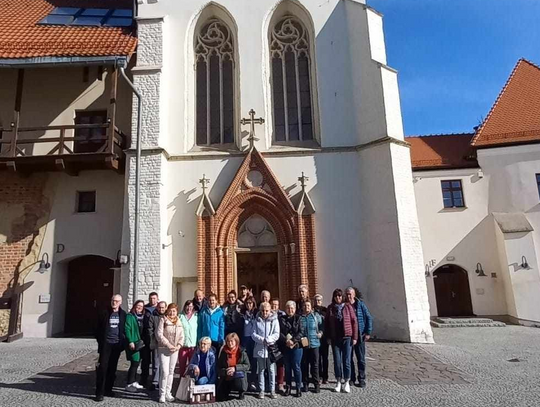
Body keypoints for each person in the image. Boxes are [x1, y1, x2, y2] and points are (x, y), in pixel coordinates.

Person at [95, 294, 126, 402]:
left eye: (117, 301)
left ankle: (109, 389)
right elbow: (97, 329)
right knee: (102, 368)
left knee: (112, 369)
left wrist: (122, 342)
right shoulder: (104, 313)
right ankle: (99, 393)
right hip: (106, 345)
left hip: (116, 345)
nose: (114, 302)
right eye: (113, 300)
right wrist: (101, 342)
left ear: (120, 302)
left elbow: (124, 330)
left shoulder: (123, 314)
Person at [325, 288, 358, 394]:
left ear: (342, 297)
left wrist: (355, 337)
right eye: (336, 296)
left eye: (339, 296)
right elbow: (326, 324)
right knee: (337, 361)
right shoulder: (330, 308)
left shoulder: (348, 307)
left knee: (346, 361)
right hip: (335, 338)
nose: (338, 298)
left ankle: (347, 382)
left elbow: (354, 322)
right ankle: (338, 381)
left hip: (347, 338)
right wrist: (328, 337)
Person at [157, 303, 185, 403]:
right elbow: (159, 334)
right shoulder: (163, 320)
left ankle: (168, 392)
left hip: (175, 350)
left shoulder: (179, 321)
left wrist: (178, 346)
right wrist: (168, 344)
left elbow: (182, 336)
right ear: (167, 310)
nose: (172, 313)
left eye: (174, 311)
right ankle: (162, 393)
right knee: (164, 372)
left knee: (171, 371)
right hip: (164, 348)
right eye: (170, 310)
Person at [346, 287, 373, 388]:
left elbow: (369, 317)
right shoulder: (345, 306)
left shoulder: (360, 305)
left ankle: (361, 378)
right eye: (347, 294)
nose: (348, 296)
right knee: (349, 358)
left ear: (354, 295)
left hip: (360, 335)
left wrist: (368, 332)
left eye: (350, 294)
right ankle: (351, 378)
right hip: (349, 336)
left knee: (361, 358)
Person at [252, 302, 280, 399]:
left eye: (267, 311)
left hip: (270, 348)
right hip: (260, 348)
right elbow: (253, 334)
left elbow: (277, 334)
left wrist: (268, 339)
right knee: (261, 370)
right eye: (263, 310)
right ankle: (261, 390)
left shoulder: (274, 320)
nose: (265, 313)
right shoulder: (257, 320)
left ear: (270, 310)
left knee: (271, 370)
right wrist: (261, 340)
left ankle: (272, 390)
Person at [278, 301, 303, 397]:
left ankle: (298, 388)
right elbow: (279, 332)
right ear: (285, 309)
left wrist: (293, 340)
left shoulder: (299, 318)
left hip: (297, 346)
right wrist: (286, 341)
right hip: (286, 346)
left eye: (292, 308)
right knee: (287, 368)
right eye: (288, 308)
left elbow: (301, 332)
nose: (290, 310)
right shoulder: (281, 319)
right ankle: (288, 387)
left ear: (295, 309)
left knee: (296, 367)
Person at [217, 333, 250, 401]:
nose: (230, 343)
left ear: (236, 342)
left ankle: (241, 391)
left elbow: (247, 366)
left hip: (238, 376)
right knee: (221, 397)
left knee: (239, 382)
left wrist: (235, 368)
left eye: (232, 341)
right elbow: (219, 367)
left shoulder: (242, 352)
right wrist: (226, 371)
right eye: (228, 341)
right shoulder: (223, 352)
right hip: (226, 376)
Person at [299, 300, 322, 393]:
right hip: (304, 344)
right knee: (304, 365)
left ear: (311, 307)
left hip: (314, 343)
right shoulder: (300, 318)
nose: (306, 307)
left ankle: (316, 384)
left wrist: (321, 333)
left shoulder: (316, 316)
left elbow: (322, 326)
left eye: (308, 305)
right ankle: (305, 384)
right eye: (304, 306)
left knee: (315, 365)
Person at [125, 300, 145, 392]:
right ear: (134, 306)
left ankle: (133, 381)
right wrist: (130, 341)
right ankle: (129, 383)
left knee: (137, 362)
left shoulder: (142, 316)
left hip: (140, 343)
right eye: (138, 306)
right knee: (134, 362)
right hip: (134, 342)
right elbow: (127, 328)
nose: (139, 308)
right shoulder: (130, 316)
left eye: (141, 306)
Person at [146, 301, 167, 391]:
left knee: (165, 364)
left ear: (166, 308)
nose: (161, 309)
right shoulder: (153, 316)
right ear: (157, 308)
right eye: (159, 307)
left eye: (163, 307)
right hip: (157, 343)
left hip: (166, 344)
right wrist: (154, 341)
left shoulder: (168, 316)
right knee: (156, 364)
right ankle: (155, 382)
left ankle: (163, 381)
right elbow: (150, 329)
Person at [141, 293, 159, 387]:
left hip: (156, 339)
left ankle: (155, 381)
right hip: (146, 338)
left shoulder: (160, 309)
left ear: (157, 299)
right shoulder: (145, 309)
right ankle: (144, 379)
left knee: (156, 361)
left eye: (154, 298)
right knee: (145, 361)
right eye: (151, 298)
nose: (152, 300)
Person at [240, 297, 257, 391]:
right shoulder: (242, 314)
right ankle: (244, 382)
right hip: (245, 339)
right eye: (247, 303)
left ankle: (253, 381)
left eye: (251, 303)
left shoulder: (257, 314)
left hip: (254, 339)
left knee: (254, 362)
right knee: (245, 361)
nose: (249, 305)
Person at [178, 300, 198, 377]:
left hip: (193, 346)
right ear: (184, 306)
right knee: (182, 367)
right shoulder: (180, 316)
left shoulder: (196, 316)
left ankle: (191, 383)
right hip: (183, 345)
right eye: (187, 306)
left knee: (192, 366)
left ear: (193, 307)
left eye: (191, 306)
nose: (189, 308)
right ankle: (182, 385)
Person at [270, 298, 285, 392]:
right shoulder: (267, 314)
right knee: (270, 364)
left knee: (280, 363)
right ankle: (270, 383)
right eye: (273, 304)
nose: (274, 306)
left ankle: (280, 383)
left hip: (280, 341)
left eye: (276, 305)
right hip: (271, 342)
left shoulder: (282, 315)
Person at [313, 294, 329, 384]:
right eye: (315, 300)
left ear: (321, 301)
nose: (317, 302)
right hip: (315, 338)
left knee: (325, 358)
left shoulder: (325, 310)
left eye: (319, 300)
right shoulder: (311, 310)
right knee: (317, 358)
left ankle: (325, 377)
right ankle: (318, 376)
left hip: (324, 338)